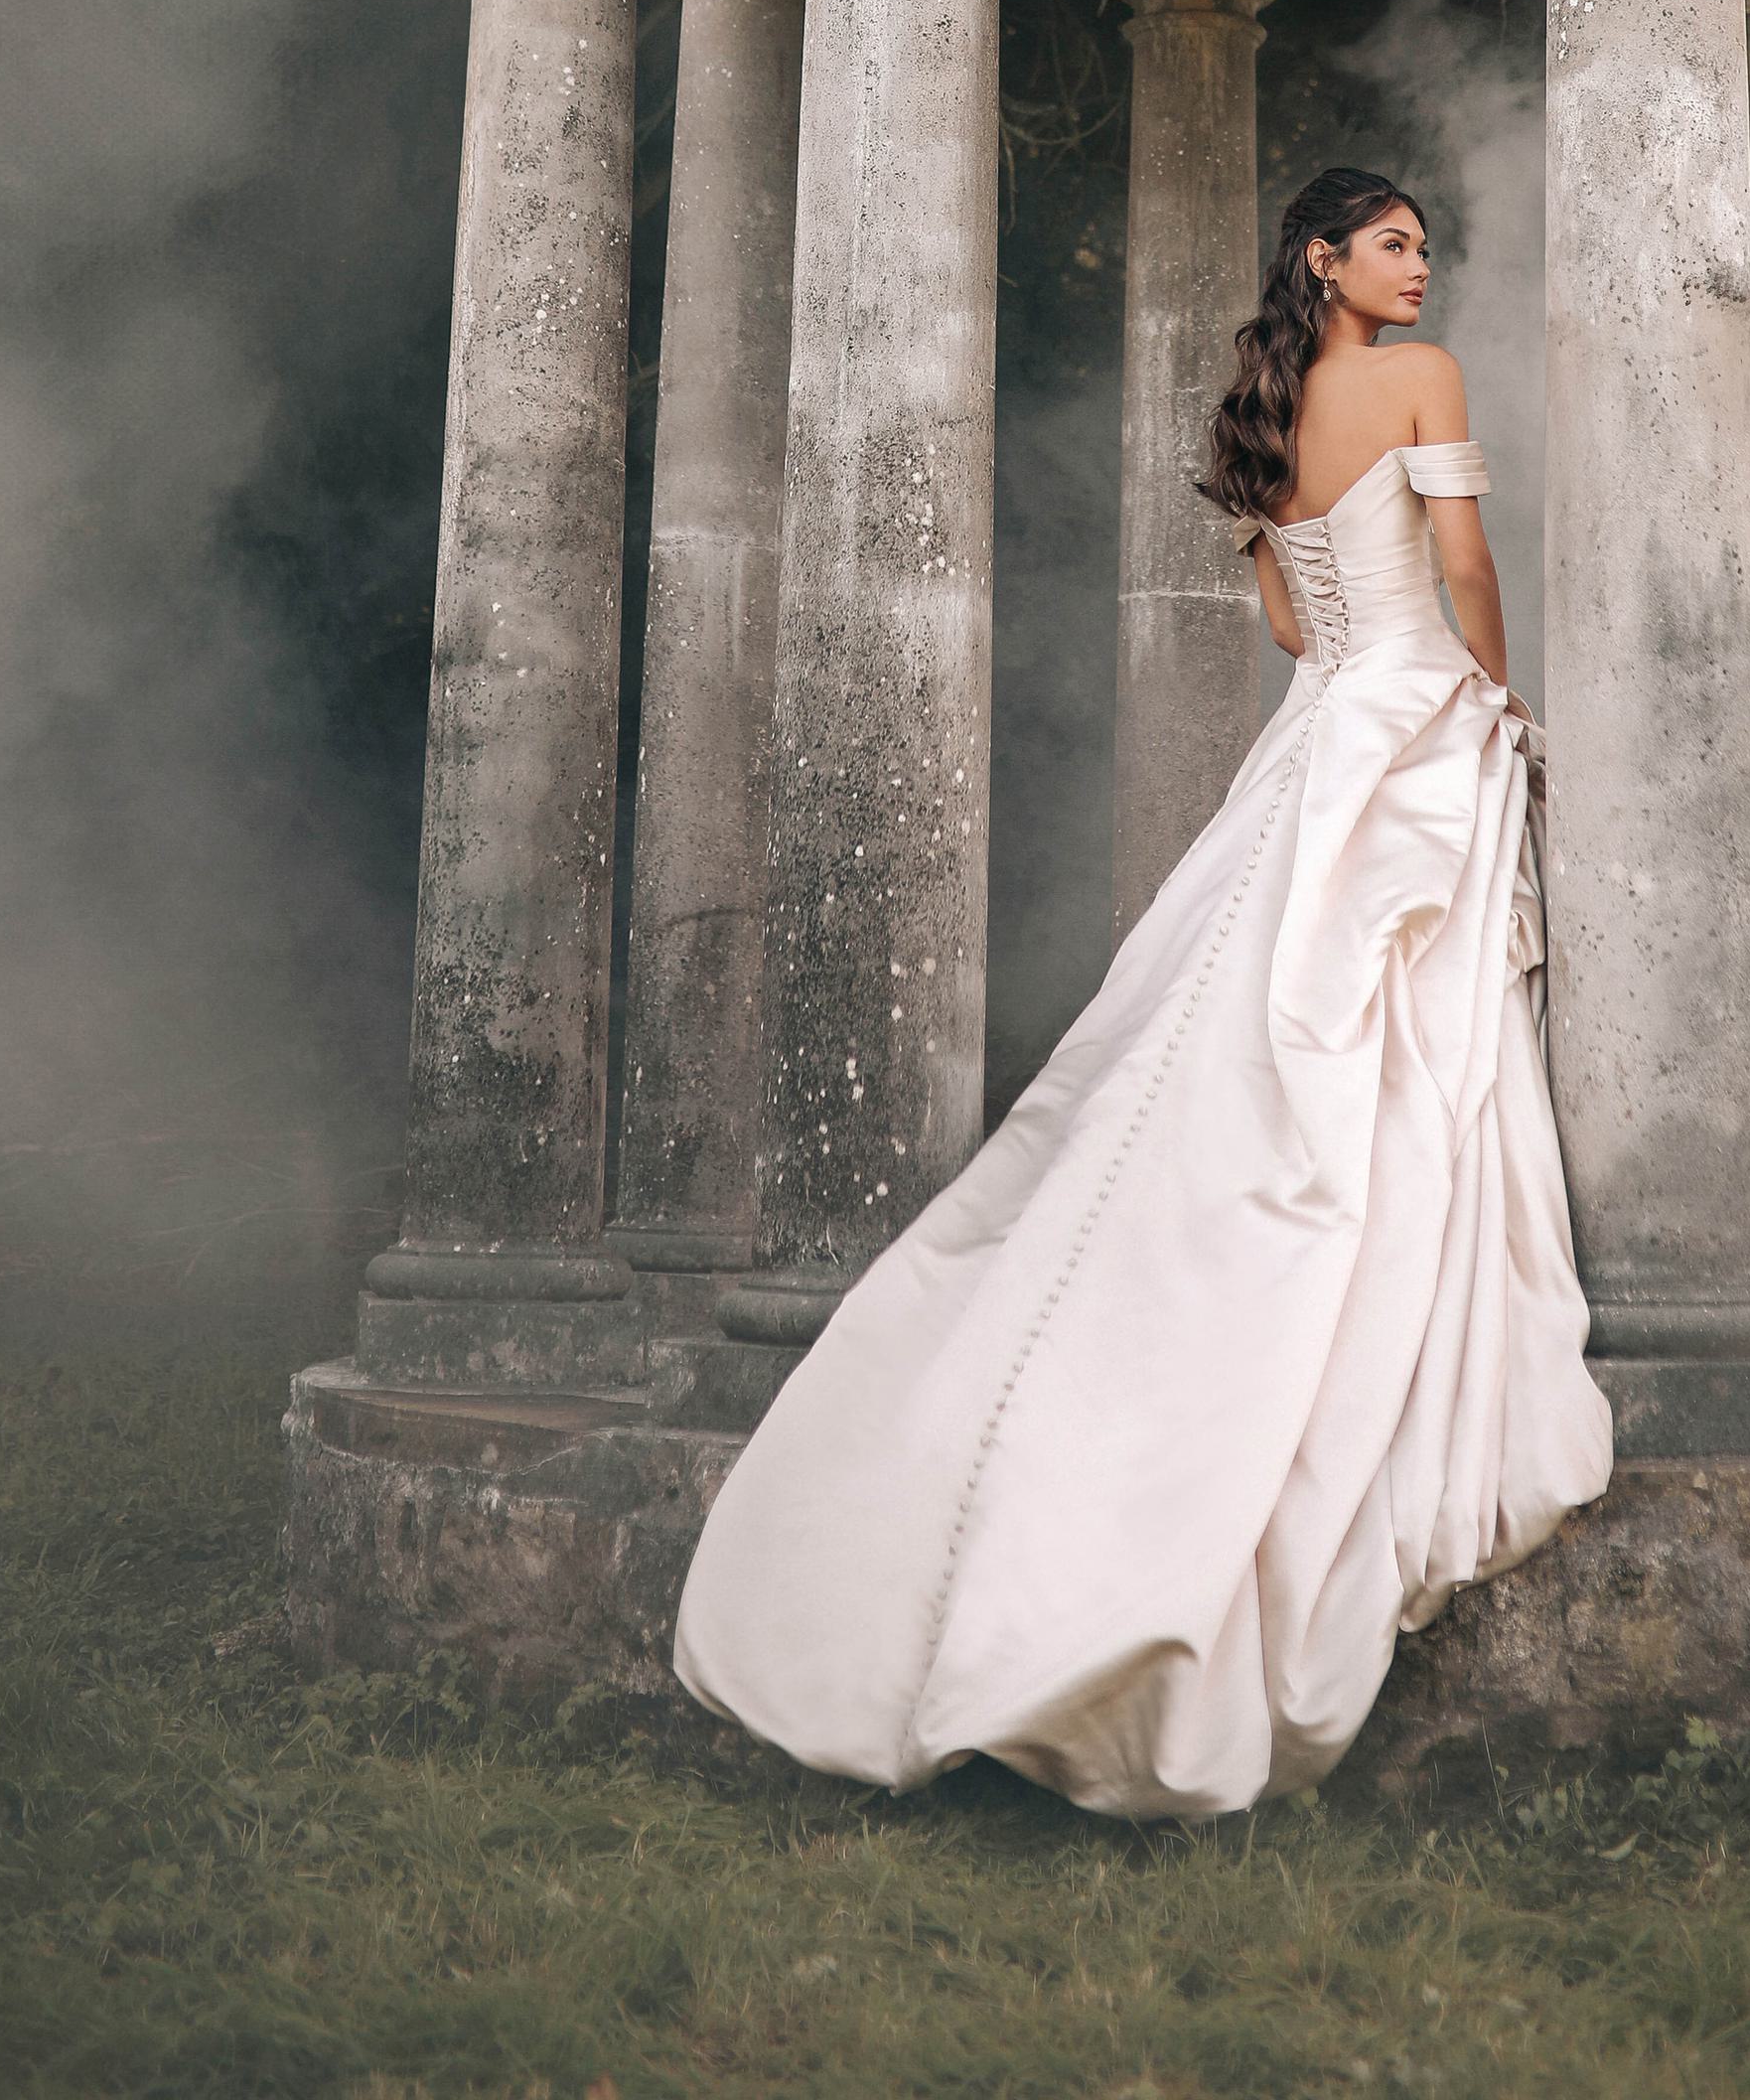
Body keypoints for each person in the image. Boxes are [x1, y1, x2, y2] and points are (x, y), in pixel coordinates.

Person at [672, 165, 1613, 1816]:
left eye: (1422, 247)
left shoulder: (1266, 411)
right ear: (1325, 258)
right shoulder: (1422, 377)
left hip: (1323, 729)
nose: (1418, 265)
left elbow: (1280, 618)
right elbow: (1463, 565)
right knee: (1404, 1031)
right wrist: (1498, 699)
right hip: (1415, 717)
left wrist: (1361, 674)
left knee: (1231, 1023)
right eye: (1390, 242)